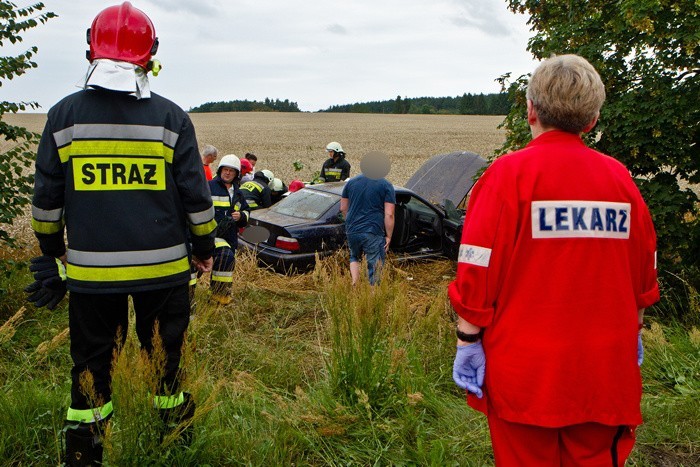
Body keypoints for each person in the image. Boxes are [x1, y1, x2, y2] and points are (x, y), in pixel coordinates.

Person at [25, 2, 216, 464]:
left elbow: (46, 204)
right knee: (166, 363)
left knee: (91, 368)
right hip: (165, 273)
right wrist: (205, 249)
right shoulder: (172, 118)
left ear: (91, 48)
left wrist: (54, 254)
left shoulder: (63, 116)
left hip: (91, 277)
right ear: (150, 53)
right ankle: (173, 448)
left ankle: (86, 455)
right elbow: (196, 198)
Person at [448, 54, 659, 466]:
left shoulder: (506, 176)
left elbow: (476, 267)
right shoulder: (620, 181)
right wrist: (634, 327)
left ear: (530, 111)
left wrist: (467, 340)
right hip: (604, 372)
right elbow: (643, 271)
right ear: (591, 119)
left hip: (524, 375)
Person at [340, 152, 395, 285]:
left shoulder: (351, 183)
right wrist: (389, 236)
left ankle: (355, 283)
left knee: (354, 256)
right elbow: (389, 214)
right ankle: (372, 293)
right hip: (372, 230)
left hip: (352, 229)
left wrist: (350, 222)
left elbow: (343, 208)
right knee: (375, 263)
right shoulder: (386, 185)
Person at [208, 154, 250, 305]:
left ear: (236, 174)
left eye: (231, 171)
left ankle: (220, 296)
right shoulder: (209, 187)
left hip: (230, 237)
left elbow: (246, 211)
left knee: (226, 264)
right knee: (225, 257)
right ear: (220, 171)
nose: (227, 173)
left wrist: (241, 217)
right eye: (225, 170)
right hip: (211, 235)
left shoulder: (238, 192)